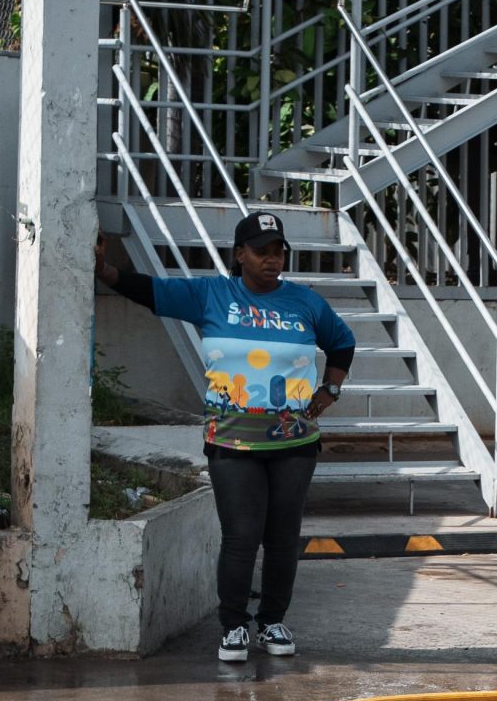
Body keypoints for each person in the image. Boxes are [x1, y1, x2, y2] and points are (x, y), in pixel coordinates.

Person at [96, 210, 355, 665]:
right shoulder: (211, 295)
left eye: (278, 253)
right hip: (233, 443)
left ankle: (272, 620)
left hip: (294, 444)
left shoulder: (305, 303)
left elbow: (342, 342)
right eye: (261, 252)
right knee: (241, 536)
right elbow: (150, 292)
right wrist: (105, 271)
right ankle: (233, 626)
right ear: (239, 254)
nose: (271, 261)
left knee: (282, 537)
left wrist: (329, 390)